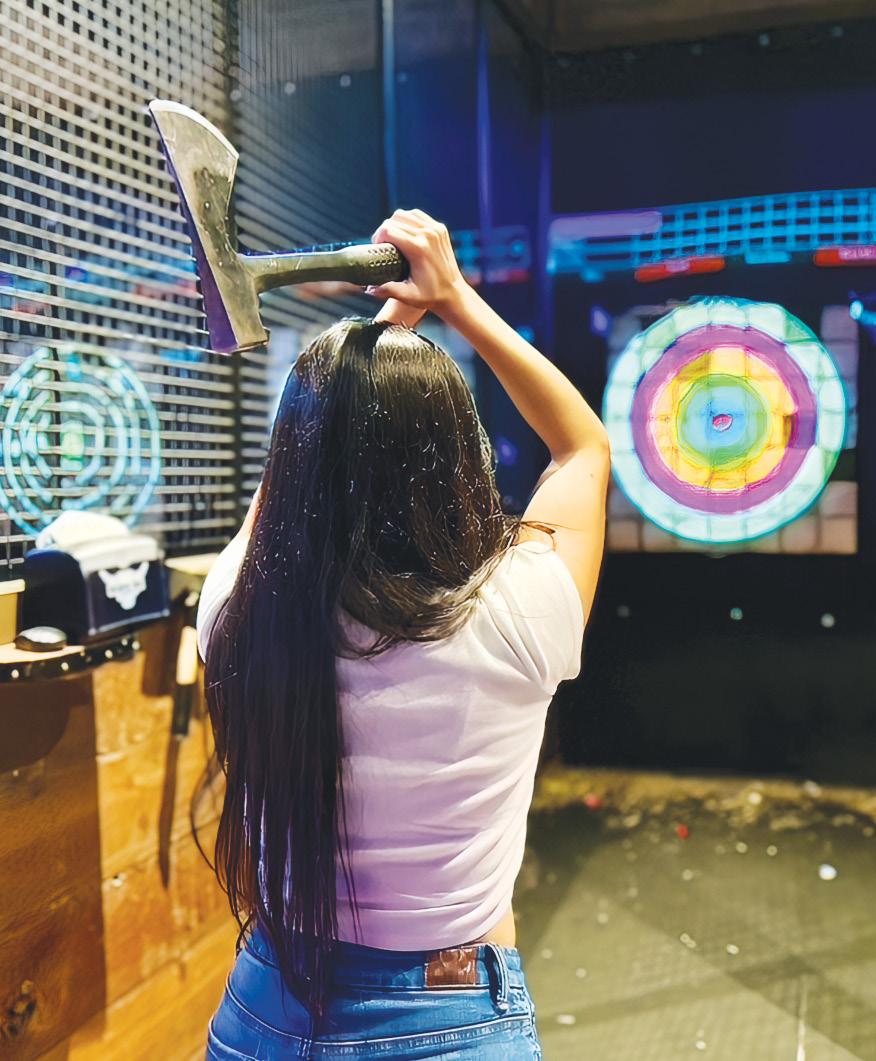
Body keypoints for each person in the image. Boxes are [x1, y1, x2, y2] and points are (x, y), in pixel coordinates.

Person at [198, 208, 610, 1059]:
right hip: (448, 1010)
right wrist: (451, 299)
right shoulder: (519, 612)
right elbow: (582, 450)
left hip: (266, 1010)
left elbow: (286, 497)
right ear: (457, 449)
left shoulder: (239, 606)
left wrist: (350, 372)